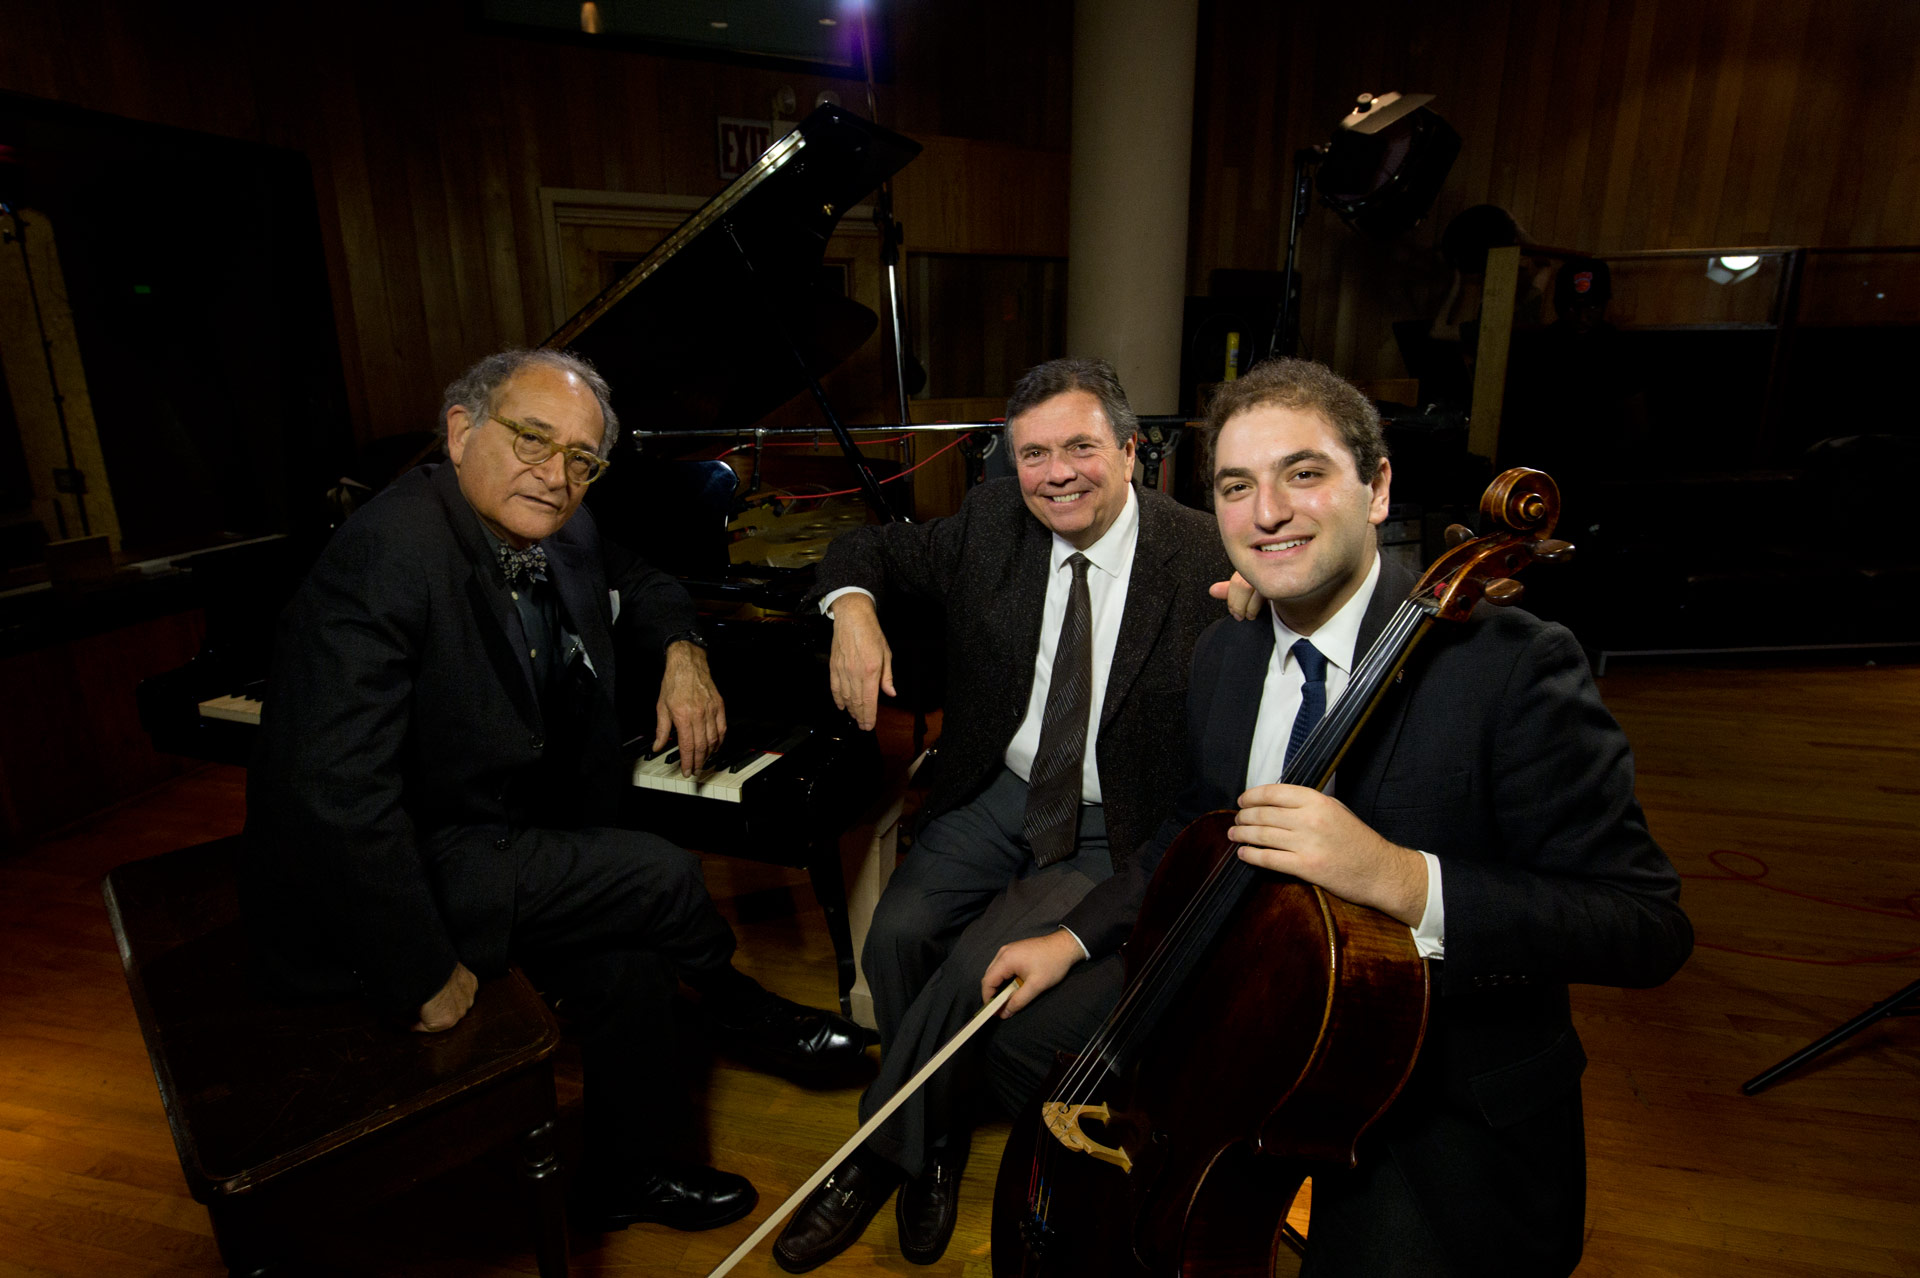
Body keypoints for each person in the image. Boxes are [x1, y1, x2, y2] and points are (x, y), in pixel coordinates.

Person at [989, 357, 1693, 1276]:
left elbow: (1643, 925)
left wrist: (1397, 879)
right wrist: (1071, 938)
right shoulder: (1227, 657)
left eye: (1304, 473)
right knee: (1018, 1057)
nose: (1268, 513)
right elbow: (1196, 833)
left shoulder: (1514, 667)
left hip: (1436, 1089)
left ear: (1378, 487)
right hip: (1254, 1021)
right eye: (1236, 487)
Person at [242, 348, 865, 1235]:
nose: (556, 474)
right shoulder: (388, 552)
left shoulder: (556, 524)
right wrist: (417, 972)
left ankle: (625, 1175)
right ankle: (736, 1008)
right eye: (532, 438)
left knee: (631, 958)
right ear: (461, 432)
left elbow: (644, 580)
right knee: (661, 874)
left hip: (492, 825)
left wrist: (683, 653)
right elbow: (332, 795)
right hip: (406, 864)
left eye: (581, 457)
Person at [772, 358, 1231, 1271]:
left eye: (1080, 448)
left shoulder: (1204, 554)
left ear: (1130, 451)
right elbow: (864, 550)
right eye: (1033, 455)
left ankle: (879, 1158)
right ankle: (937, 1137)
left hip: (1111, 819)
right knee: (896, 935)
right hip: (1000, 791)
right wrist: (852, 610)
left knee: (974, 972)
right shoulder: (993, 523)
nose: (1057, 474)